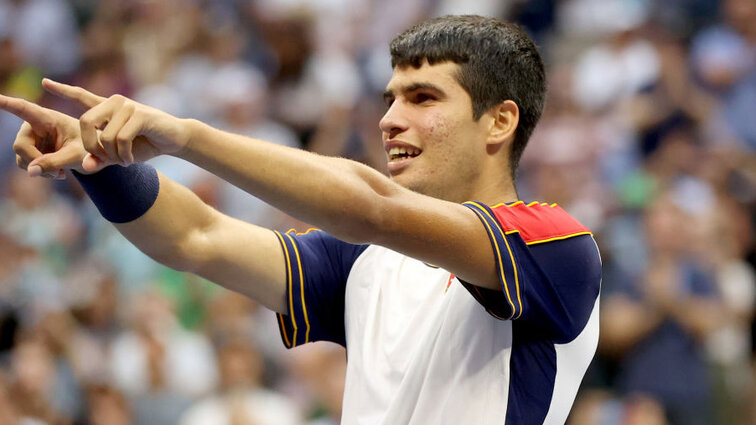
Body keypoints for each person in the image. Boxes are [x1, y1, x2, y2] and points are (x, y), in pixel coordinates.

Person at [1, 15, 602, 424]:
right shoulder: (364, 260)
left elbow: (372, 208)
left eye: (423, 98)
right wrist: (99, 165)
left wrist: (187, 136)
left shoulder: (555, 247)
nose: (390, 119)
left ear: (500, 121)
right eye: (390, 99)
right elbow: (197, 235)